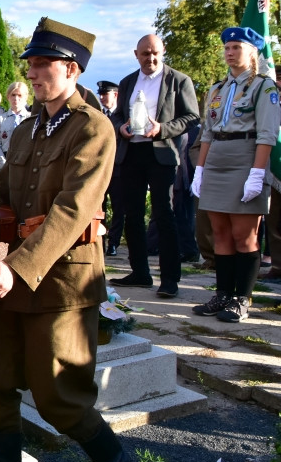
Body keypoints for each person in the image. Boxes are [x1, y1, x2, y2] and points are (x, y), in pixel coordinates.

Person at [0, 18, 135, 462]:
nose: (32, 72)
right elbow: (4, 196)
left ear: (71, 69)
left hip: (63, 282)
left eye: (42, 63)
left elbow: (73, 209)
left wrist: (16, 267)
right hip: (13, 276)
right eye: (30, 63)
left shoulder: (93, 128)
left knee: (60, 398)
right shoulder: (28, 129)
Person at [190, 27, 280, 322]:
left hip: (246, 158)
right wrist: (200, 169)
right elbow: (207, 133)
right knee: (220, 233)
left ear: (252, 52)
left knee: (244, 235)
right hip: (217, 159)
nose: (229, 52)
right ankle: (223, 294)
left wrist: (257, 173)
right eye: (227, 48)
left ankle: (242, 298)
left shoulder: (263, 87)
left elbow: (267, 134)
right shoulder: (218, 89)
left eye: (236, 47)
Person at [109, 34, 199, 298]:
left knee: (163, 214)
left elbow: (192, 117)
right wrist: (121, 128)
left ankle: (170, 279)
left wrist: (162, 129)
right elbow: (115, 116)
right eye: (145, 53)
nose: (151, 58)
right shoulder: (127, 82)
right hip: (131, 154)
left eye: (155, 53)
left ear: (163, 51)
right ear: (136, 54)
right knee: (131, 214)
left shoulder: (178, 80)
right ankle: (140, 273)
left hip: (161, 154)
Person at [96, 80, 126, 256]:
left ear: (115, 95)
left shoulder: (122, 117)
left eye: (105, 94)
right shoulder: (98, 115)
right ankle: (101, 239)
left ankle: (113, 243)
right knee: (99, 207)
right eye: (100, 94)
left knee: (118, 207)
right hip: (100, 169)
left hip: (117, 168)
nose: (101, 98)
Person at [0, 81, 29, 169]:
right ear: (8, 96)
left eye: (20, 95)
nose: (16, 98)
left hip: (25, 161)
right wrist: (4, 165)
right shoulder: (1, 119)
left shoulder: (30, 118)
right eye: (13, 95)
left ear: (26, 97)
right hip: (5, 160)